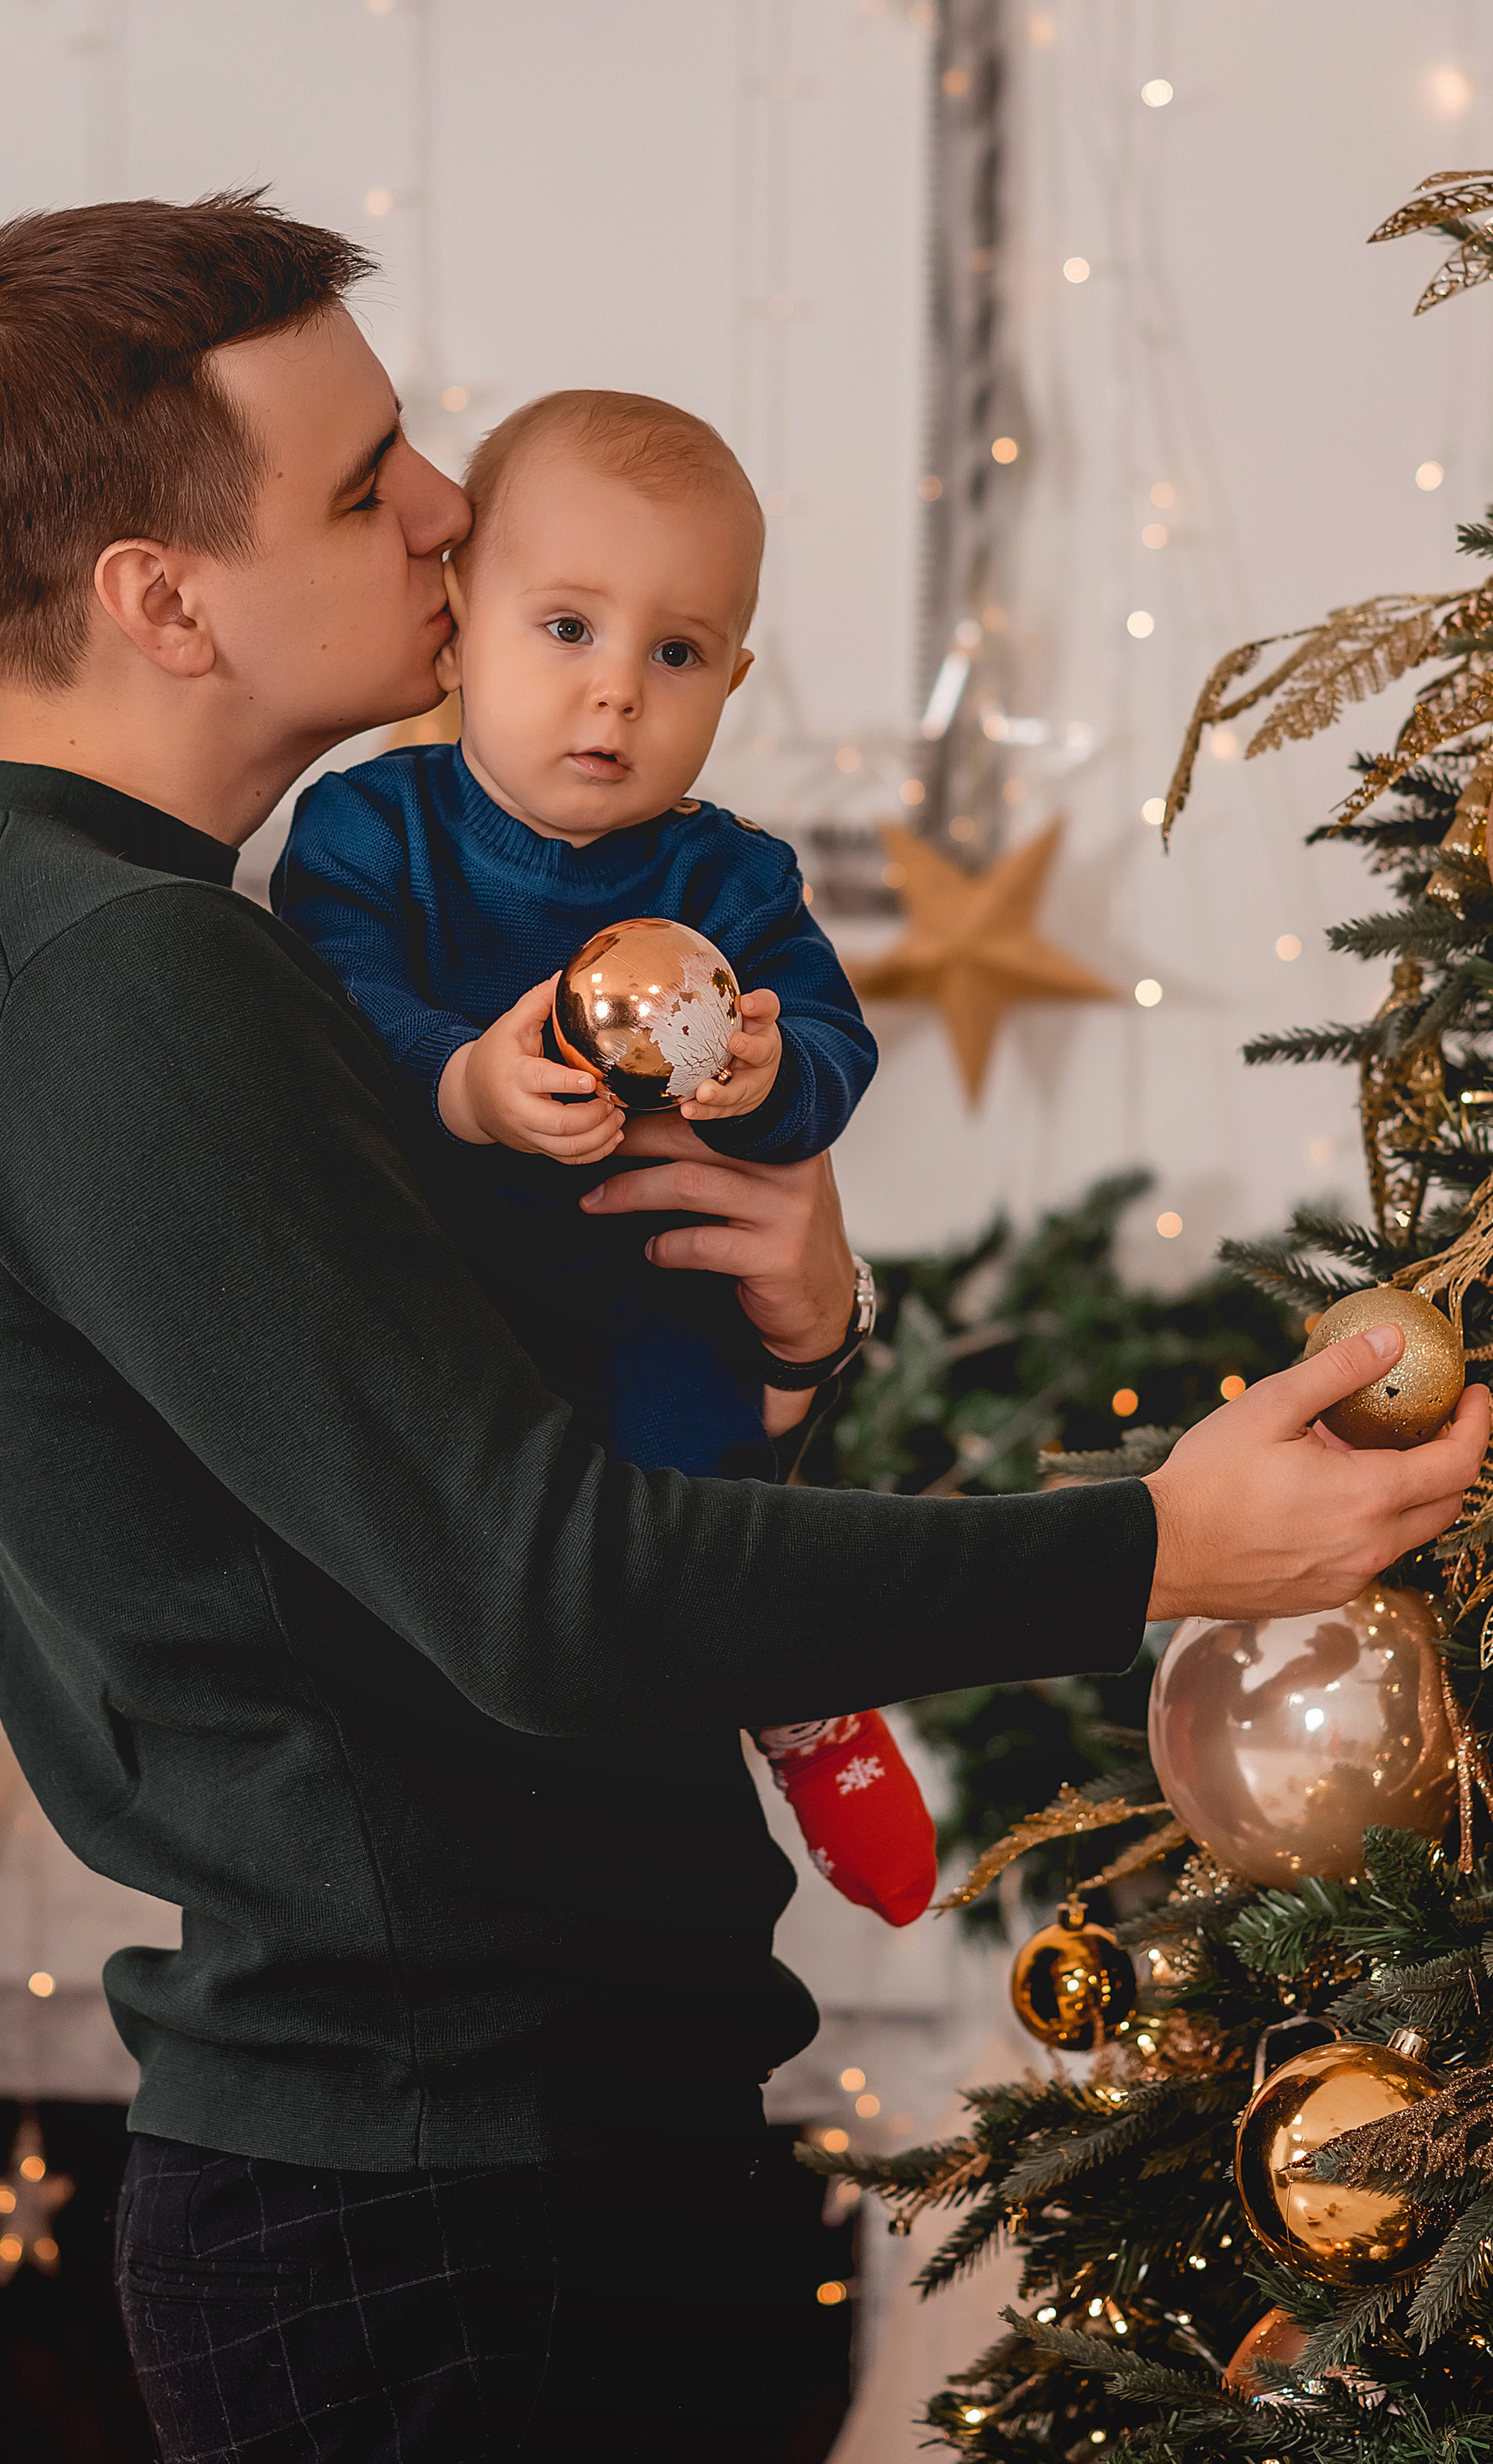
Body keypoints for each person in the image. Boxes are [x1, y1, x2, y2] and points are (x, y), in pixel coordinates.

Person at [0, 193, 1491, 2463]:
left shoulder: (156, 943)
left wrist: (803, 1350)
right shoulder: (125, 989)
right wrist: (1153, 1551)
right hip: (436, 2220)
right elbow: (546, 1592)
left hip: (518, 2161)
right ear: (163, 598)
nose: (445, 505)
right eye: (365, 483)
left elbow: (493, 1499)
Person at [273, 386, 934, 1931]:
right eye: (567, 627)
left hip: (648, 1295)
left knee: (697, 1478)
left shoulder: (735, 873)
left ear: (732, 680)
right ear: (460, 615)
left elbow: (835, 1051)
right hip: (448, 1311)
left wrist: (768, 1078)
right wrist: (467, 1083)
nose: (617, 695)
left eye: (676, 653)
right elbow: (332, 1006)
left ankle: (804, 1690)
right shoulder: (369, 830)